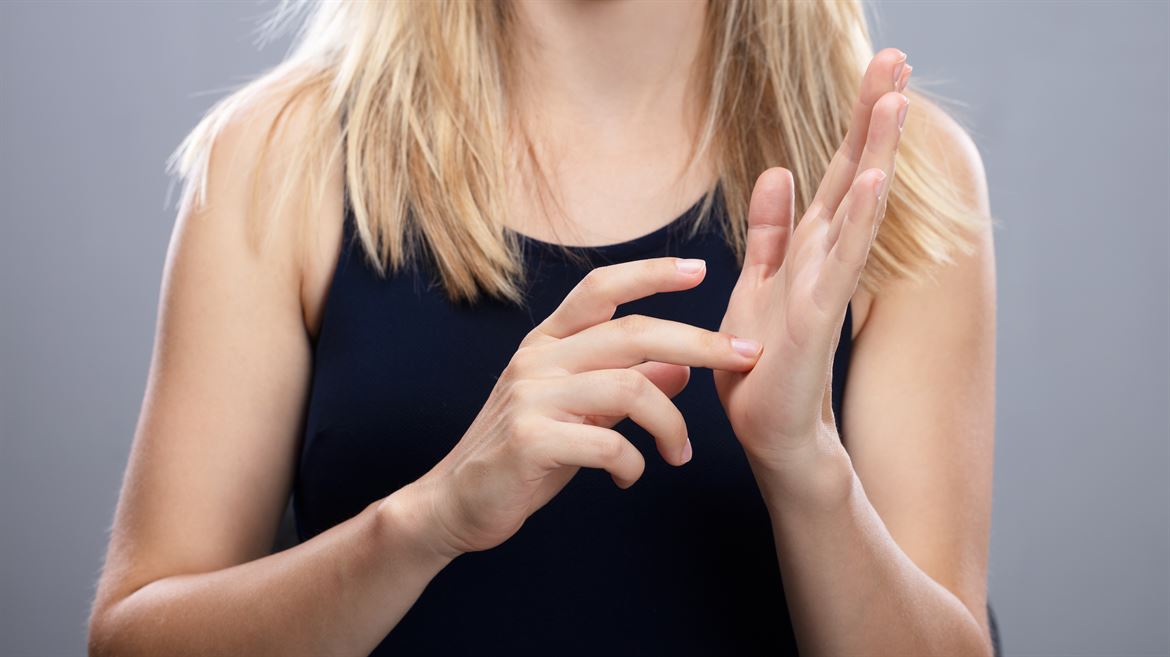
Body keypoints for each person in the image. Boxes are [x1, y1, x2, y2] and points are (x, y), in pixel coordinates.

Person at [88, 1, 998, 655]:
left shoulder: (904, 183)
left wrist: (807, 470)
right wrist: (427, 521)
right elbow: (133, 637)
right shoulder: (280, 158)